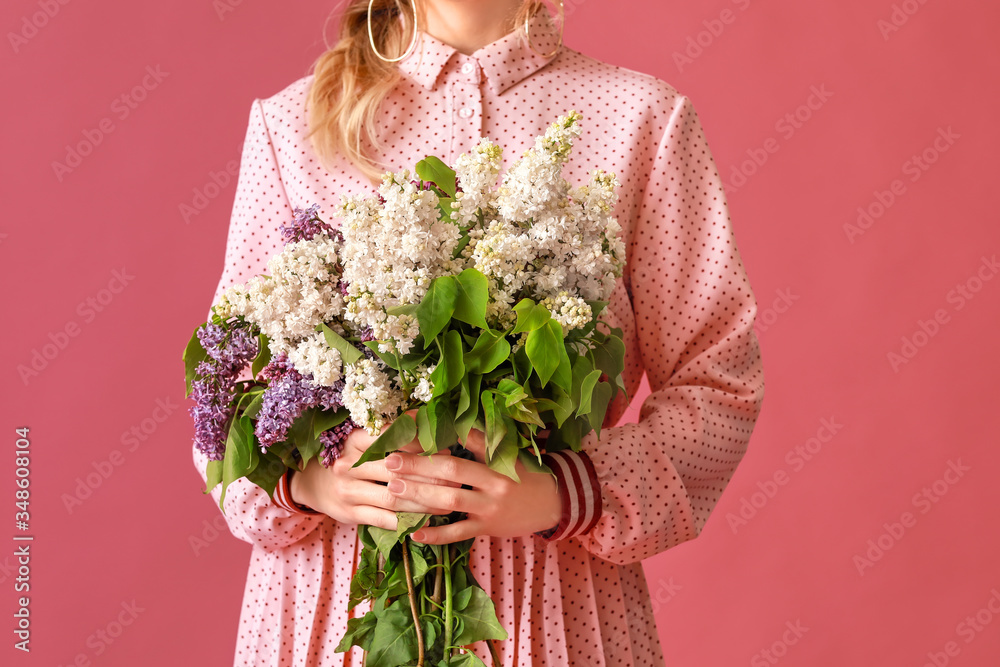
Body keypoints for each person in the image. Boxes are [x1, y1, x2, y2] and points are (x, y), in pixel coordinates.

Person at [192, 0, 765, 664]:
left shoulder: (642, 121)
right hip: (334, 613)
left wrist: (564, 492)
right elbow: (224, 390)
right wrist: (308, 484)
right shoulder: (290, 126)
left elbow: (719, 379)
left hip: (555, 611)